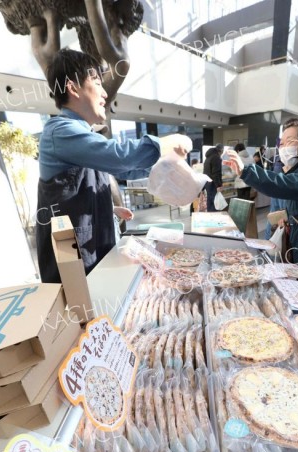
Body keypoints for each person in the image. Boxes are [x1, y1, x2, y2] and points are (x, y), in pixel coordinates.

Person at [37, 48, 188, 283]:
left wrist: (107, 209)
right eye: (97, 81)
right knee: (86, 315)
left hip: (93, 252)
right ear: (73, 87)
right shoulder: (59, 132)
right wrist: (164, 144)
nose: (105, 93)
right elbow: (119, 157)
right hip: (75, 264)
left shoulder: (81, 135)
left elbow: (124, 170)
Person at [225, 119, 298, 292]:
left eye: (291, 141)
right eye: (282, 142)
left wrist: (247, 171)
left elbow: (288, 185)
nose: (283, 147)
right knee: (292, 291)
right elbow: (286, 203)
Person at [265, 149, 287, 240]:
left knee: (274, 215)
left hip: (277, 183)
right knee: (283, 216)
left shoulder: (279, 155)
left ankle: (268, 243)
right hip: (285, 184)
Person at [203, 143, 224, 212]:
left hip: (208, 183)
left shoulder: (208, 157)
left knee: (210, 203)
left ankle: (210, 218)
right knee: (215, 204)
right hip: (213, 184)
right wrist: (218, 185)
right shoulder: (216, 157)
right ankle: (214, 220)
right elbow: (216, 173)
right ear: (221, 151)